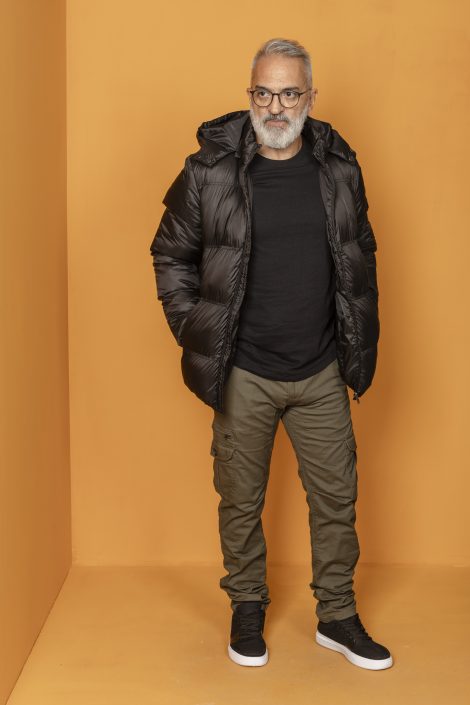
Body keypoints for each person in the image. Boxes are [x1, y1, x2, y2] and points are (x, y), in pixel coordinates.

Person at [149, 37, 392, 671]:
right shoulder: (208, 172)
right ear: (249, 94)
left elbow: (361, 249)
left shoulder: (340, 169)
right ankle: (247, 606)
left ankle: (337, 616)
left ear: (310, 96)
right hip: (244, 372)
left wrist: (353, 333)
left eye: (288, 93)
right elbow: (170, 253)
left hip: (320, 369)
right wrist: (197, 327)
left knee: (337, 500)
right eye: (264, 92)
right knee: (240, 500)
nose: (275, 107)